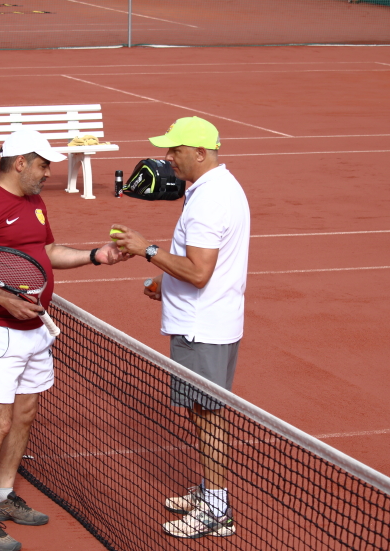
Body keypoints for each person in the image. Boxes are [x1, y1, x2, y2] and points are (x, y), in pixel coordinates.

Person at [0, 128, 128, 551]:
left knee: (25, 416)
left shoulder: (35, 203)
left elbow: (46, 253)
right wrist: (4, 300)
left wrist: (95, 256)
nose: (48, 173)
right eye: (43, 165)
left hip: (37, 328)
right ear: (20, 162)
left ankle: (4, 495)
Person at [111, 116, 250, 539]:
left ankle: (216, 508)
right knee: (202, 412)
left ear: (200, 153)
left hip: (200, 328)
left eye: (176, 150)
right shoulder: (221, 187)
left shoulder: (209, 200)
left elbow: (199, 271)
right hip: (211, 321)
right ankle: (210, 491)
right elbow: (202, 266)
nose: (169, 157)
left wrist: (147, 249)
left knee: (208, 417)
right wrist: (165, 282)